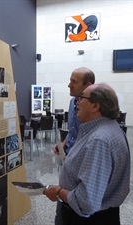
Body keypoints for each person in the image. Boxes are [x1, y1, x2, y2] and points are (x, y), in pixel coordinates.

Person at [44, 83, 131, 225]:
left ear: (95, 106)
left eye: (81, 98)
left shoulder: (99, 140)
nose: (76, 102)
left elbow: (85, 203)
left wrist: (59, 191)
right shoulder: (106, 129)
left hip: (86, 219)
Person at [53, 67, 95, 225]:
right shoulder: (72, 103)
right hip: (68, 161)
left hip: (82, 165)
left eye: (74, 82)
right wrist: (63, 144)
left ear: (87, 84)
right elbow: (73, 131)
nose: (69, 85)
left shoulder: (93, 111)